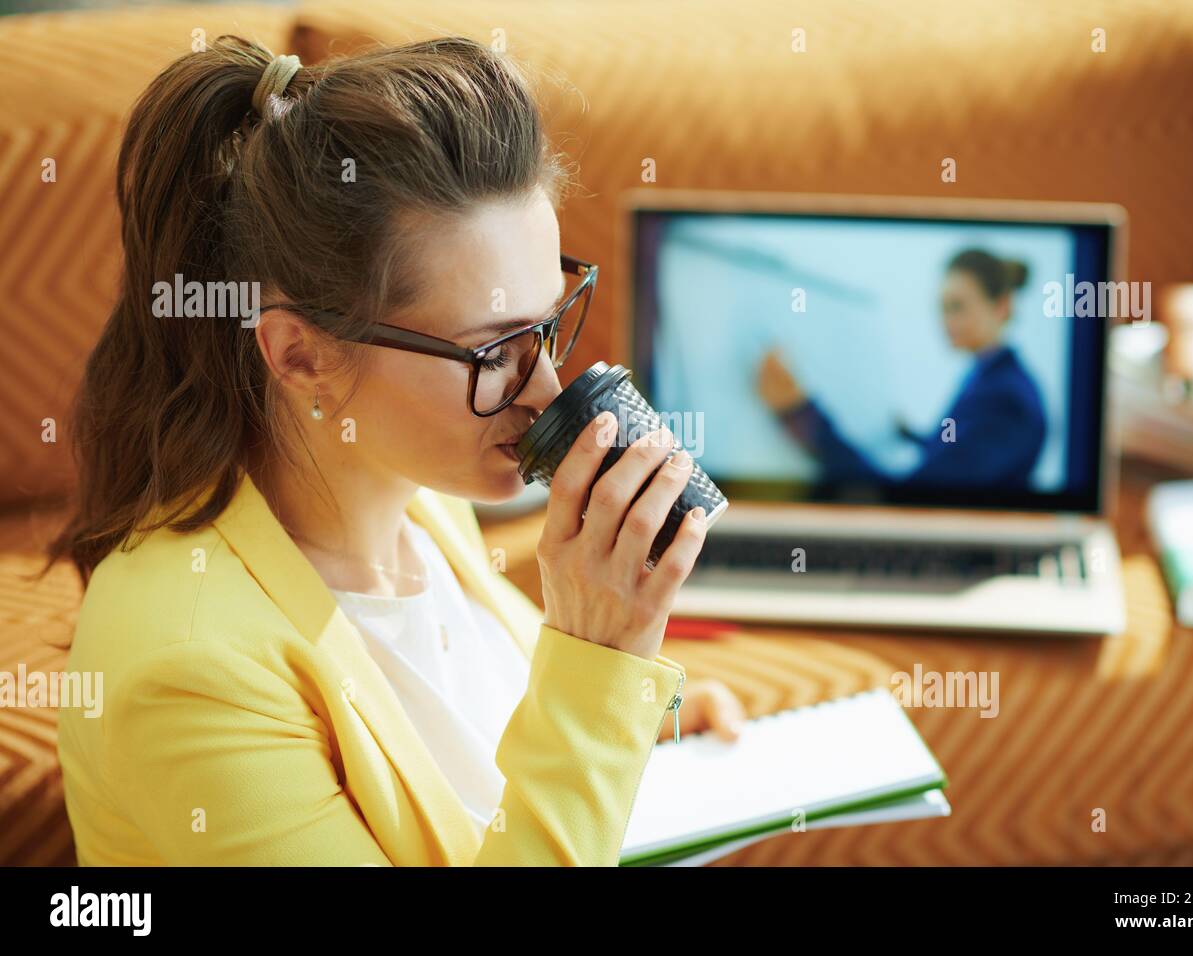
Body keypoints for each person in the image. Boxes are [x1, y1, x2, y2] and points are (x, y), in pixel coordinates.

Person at [42, 36, 744, 866]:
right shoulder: (189, 671)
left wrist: (642, 717)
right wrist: (599, 672)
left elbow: (491, 737)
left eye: (548, 326)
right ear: (301, 355)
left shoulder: (417, 505)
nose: (546, 393)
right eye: (492, 353)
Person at [757, 248, 1047, 489]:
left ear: (1002, 306)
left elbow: (913, 497)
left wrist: (802, 415)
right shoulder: (989, 376)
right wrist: (907, 433)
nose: (945, 322)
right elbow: (961, 457)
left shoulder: (1005, 399)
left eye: (957, 307)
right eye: (942, 308)